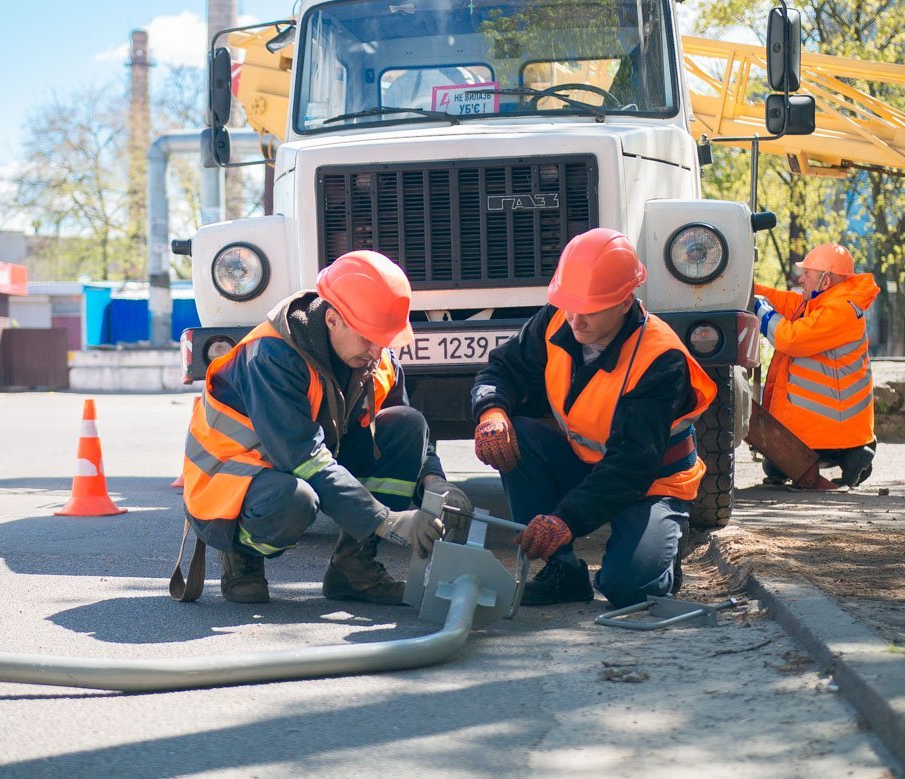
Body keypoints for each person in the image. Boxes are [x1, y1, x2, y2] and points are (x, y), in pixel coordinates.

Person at [182, 250, 473, 604]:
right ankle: (242, 550)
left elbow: (409, 435)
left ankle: (353, 571)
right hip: (230, 484)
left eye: (383, 339)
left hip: (296, 461)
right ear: (332, 320)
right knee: (294, 500)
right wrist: (386, 520)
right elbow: (303, 458)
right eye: (367, 338)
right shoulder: (273, 357)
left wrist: (435, 481)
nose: (376, 351)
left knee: (407, 426)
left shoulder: (374, 357)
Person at [470, 228, 716, 608]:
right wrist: (492, 412)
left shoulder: (660, 358)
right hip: (589, 465)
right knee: (516, 434)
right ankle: (562, 575)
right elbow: (502, 369)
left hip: (651, 482)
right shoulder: (558, 319)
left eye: (590, 309)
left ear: (624, 302)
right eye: (570, 305)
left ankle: (663, 557)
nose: (576, 320)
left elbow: (632, 465)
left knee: (630, 590)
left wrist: (565, 520)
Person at [753, 243, 880, 487]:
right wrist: (744, 290)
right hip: (827, 426)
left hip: (832, 430)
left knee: (777, 462)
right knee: (774, 462)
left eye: (807, 274)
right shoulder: (821, 302)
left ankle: (851, 455)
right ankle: (850, 454)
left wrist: (762, 311)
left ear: (825, 281)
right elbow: (779, 300)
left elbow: (788, 339)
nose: (801, 279)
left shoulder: (839, 311)